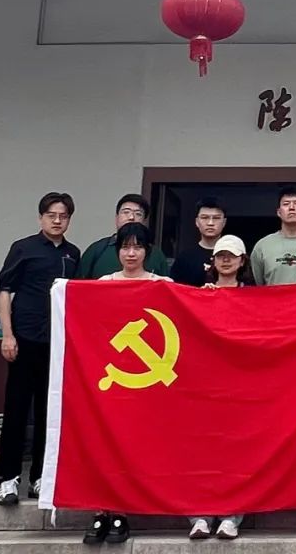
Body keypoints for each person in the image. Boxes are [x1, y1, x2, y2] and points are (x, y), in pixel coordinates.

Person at [85, 223, 171, 546]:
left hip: (149, 386)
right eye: (125, 247)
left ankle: (123, 510)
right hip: (111, 382)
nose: (131, 253)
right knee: (105, 444)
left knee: (134, 446)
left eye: (137, 247)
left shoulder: (163, 286)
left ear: (148, 251)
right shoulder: (103, 285)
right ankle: (101, 509)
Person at [0, 192, 80, 506]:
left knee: (49, 411)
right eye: (51, 215)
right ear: (41, 217)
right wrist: (8, 335)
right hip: (24, 338)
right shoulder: (23, 248)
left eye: (63, 216)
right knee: (16, 410)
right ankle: (8, 479)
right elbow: (5, 290)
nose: (57, 221)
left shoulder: (73, 254)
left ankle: (41, 477)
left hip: (55, 343)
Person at [189, 234, 251, 540]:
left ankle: (231, 516)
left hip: (242, 386)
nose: (226, 261)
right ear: (213, 261)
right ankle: (199, 515)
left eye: (232, 256)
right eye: (221, 256)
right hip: (206, 386)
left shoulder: (254, 297)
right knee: (202, 450)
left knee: (238, 451)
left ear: (242, 261)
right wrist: (201, 300)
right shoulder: (198, 295)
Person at [77, 194, 168, 279]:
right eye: (126, 212)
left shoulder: (156, 255)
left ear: (144, 221)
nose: (131, 217)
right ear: (116, 217)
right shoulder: (97, 250)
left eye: (138, 214)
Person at [249, 186, 296, 286]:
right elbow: (258, 284)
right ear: (279, 212)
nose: (291, 208)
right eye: (286, 204)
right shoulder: (263, 245)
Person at [171, 197, 227, 286]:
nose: (210, 223)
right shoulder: (185, 258)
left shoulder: (233, 257)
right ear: (197, 222)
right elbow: (174, 289)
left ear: (224, 222)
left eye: (216, 218)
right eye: (205, 217)